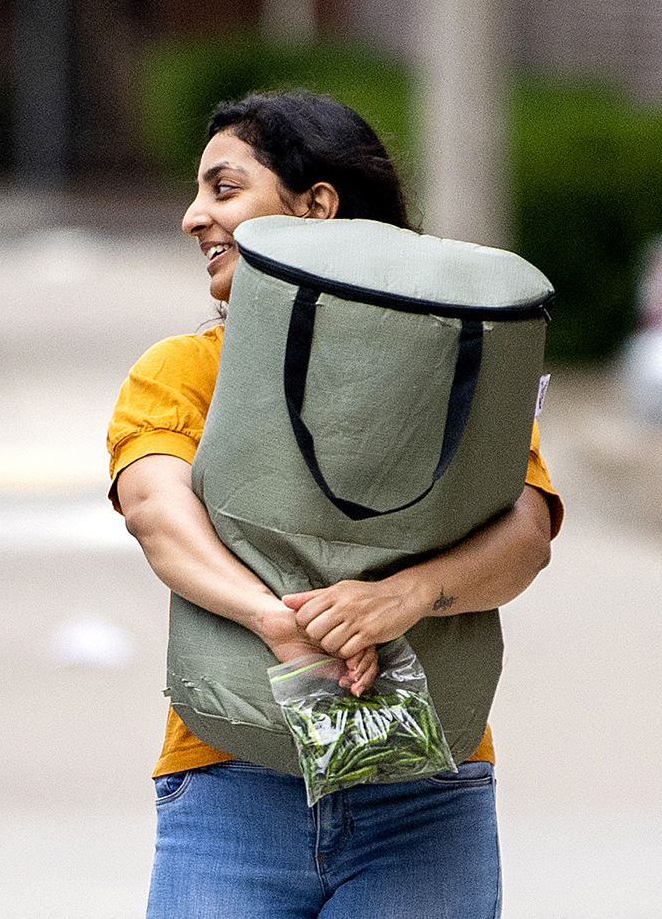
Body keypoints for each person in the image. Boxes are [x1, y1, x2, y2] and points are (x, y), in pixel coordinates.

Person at [107, 91, 564, 918]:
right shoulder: (181, 368)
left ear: (315, 206)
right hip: (231, 778)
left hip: (428, 791)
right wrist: (275, 617)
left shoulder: (461, 368)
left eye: (223, 189)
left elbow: (526, 533)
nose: (191, 217)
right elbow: (154, 511)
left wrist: (404, 595)